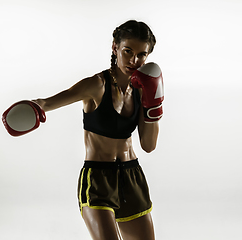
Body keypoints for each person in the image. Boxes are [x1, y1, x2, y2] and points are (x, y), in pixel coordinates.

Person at [33, 20, 161, 240]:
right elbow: (46, 103)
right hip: (98, 179)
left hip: (132, 176)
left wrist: (154, 104)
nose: (133, 61)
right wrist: (32, 107)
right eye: (127, 51)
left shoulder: (142, 90)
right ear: (115, 48)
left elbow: (148, 146)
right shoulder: (96, 85)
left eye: (141, 55)